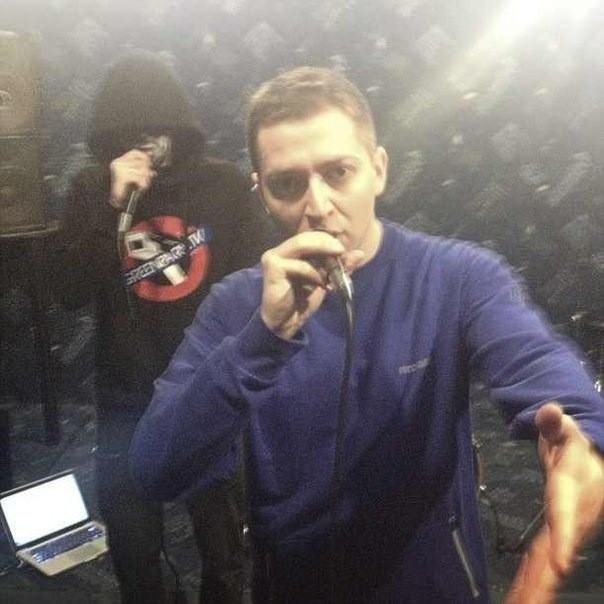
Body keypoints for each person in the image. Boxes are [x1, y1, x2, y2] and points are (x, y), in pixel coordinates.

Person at [129, 66, 604, 603]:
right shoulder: (237, 307)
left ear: (378, 170)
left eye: (338, 172)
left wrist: (584, 441)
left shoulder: (456, 276)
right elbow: (155, 470)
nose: (318, 206)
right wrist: (263, 340)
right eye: (288, 184)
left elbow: (540, 366)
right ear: (261, 193)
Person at [52, 50, 267, 603]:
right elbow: (68, 291)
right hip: (125, 391)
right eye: (129, 135)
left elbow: (253, 284)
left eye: (156, 132)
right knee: (133, 547)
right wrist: (112, 205)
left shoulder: (222, 185)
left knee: (224, 546)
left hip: (206, 388)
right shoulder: (91, 190)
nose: (146, 144)